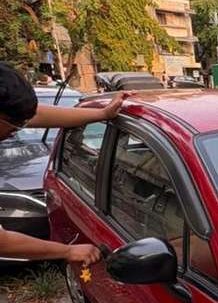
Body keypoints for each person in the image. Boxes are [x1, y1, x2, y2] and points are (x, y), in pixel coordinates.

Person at [0, 63, 127, 263]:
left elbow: (37, 115)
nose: (17, 130)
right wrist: (67, 251)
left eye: (22, 123)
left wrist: (102, 114)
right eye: (14, 123)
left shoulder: (7, 117)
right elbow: (2, 242)